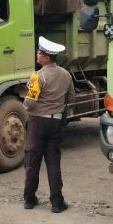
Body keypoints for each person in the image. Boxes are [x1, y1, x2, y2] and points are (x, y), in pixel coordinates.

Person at [22, 36, 75, 213]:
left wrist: (26, 106)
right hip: (56, 123)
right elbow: (71, 98)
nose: (37, 55)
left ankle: (29, 199)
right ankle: (57, 203)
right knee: (53, 161)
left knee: (32, 161)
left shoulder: (38, 77)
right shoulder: (66, 75)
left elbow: (29, 103)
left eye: (39, 53)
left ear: (46, 58)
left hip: (37, 123)